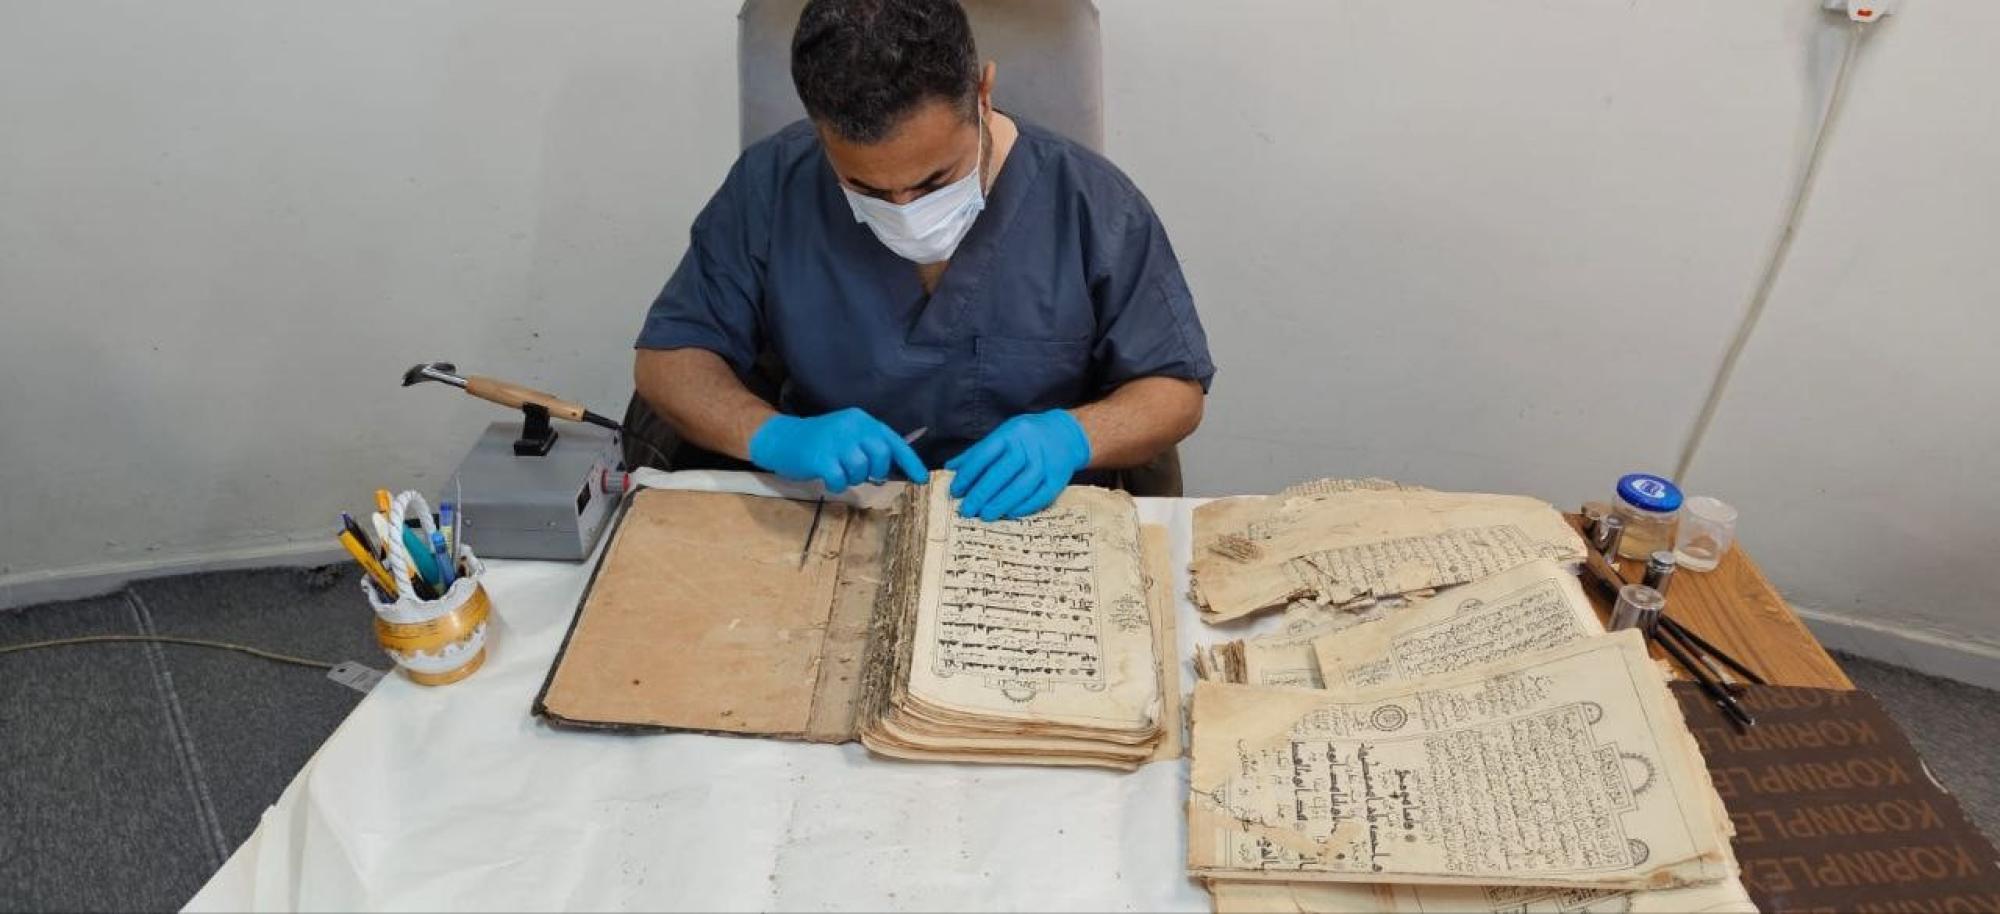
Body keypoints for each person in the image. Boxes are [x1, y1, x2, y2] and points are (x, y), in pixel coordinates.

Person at [634, 0, 1213, 521]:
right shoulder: (773, 184)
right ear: (820, 131)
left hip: (1030, 521)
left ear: (983, 93)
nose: (906, 210)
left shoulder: (1091, 204)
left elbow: (1174, 390)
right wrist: (773, 435)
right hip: (835, 511)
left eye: (935, 180)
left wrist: (1075, 436)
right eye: (866, 188)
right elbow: (670, 360)